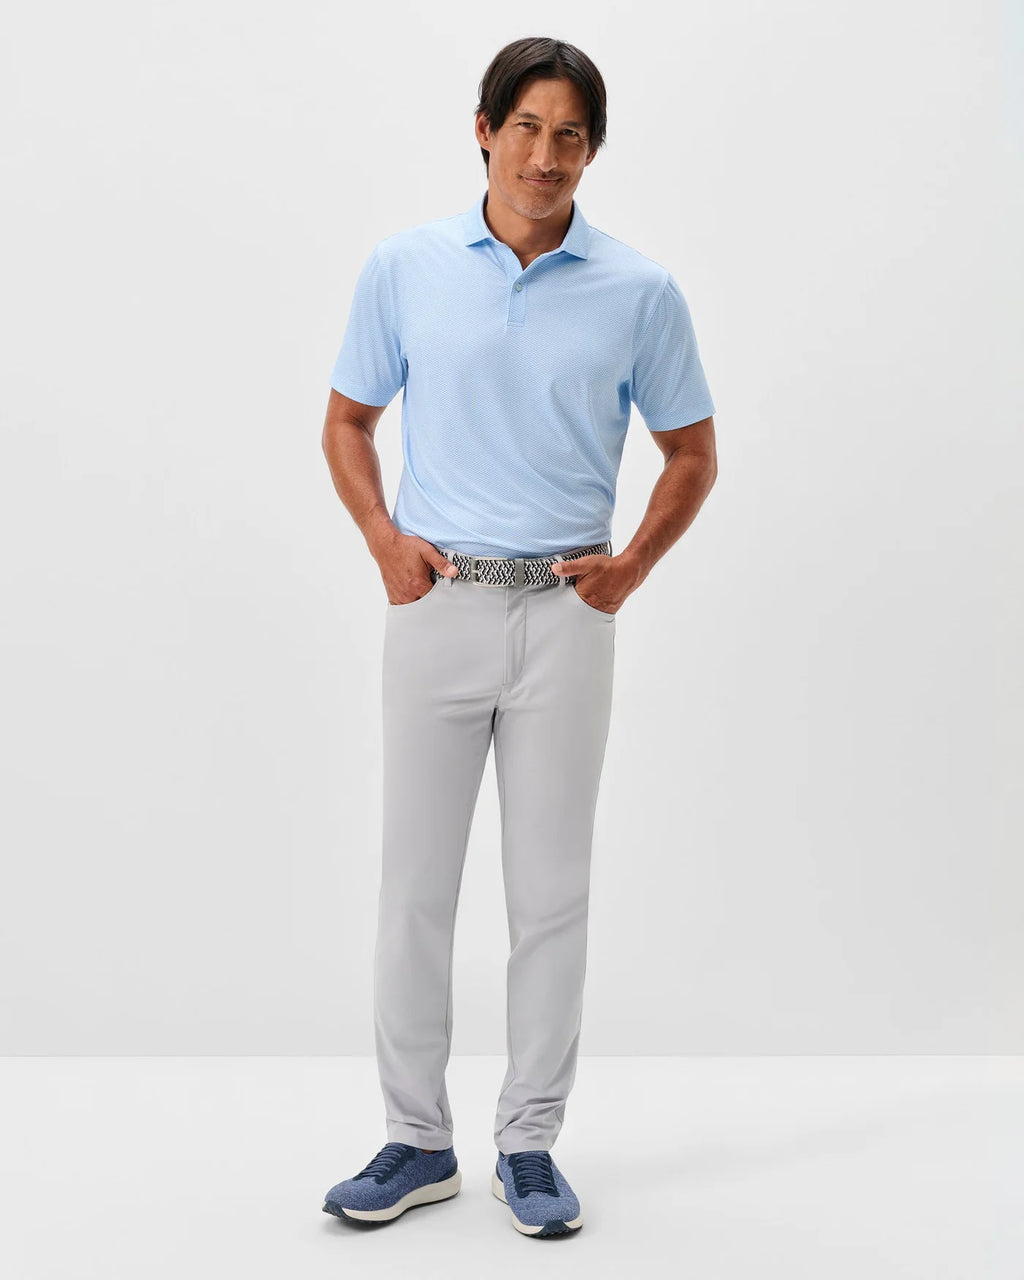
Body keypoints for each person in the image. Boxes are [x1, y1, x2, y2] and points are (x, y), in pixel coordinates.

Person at [320, 36, 717, 1238]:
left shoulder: (638, 291)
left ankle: (528, 1141)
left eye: (571, 135)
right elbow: (346, 419)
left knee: (550, 895)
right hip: (436, 606)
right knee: (414, 890)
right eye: (527, 128)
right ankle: (415, 1137)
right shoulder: (405, 267)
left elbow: (691, 452)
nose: (546, 156)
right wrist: (384, 540)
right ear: (484, 129)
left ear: (593, 149)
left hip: (566, 616)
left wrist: (629, 567)